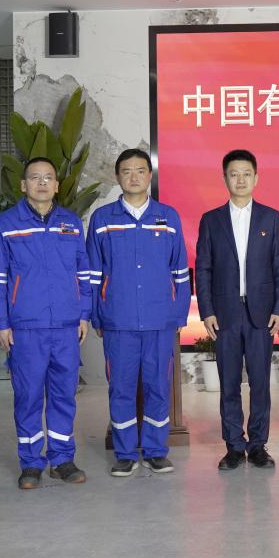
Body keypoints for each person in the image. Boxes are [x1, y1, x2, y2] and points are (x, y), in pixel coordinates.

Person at [0, 157, 93, 489]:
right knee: (28, 396)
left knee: (63, 395)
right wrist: (0, 322)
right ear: (23, 185)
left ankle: (62, 459)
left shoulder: (71, 223)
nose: (42, 183)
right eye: (35, 177)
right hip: (25, 326)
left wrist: (83, 313)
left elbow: (84, 272)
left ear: (57, 185)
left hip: (65, 326)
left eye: (48, 177)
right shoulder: (7, 224)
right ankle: (31, 462)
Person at [88, 149, 190, 478]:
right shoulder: (103, 219)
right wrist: (97, 315)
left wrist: (179, 315)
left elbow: (180, 271)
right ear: (117, 176)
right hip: (118, 320)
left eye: (140, 170)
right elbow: (93, 273)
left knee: (158, 386)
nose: (134, 177)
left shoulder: (168, 217)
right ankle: (125, 453)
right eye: (127, 171)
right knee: (121, 387)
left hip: (160, 320)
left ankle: (156, 451)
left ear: (150, 175)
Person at [194, 149, 279, 471]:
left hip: (261, 314)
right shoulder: (211, 220)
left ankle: (258, 445)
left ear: (256, 178)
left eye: (246, 173)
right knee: (229, 383)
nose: (240, 179)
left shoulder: (270, 218)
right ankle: (234, 445)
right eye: (234, 174)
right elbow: (203, 269)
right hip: (225, 315)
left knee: (260, 383)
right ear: (224, 178)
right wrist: (206, 310)